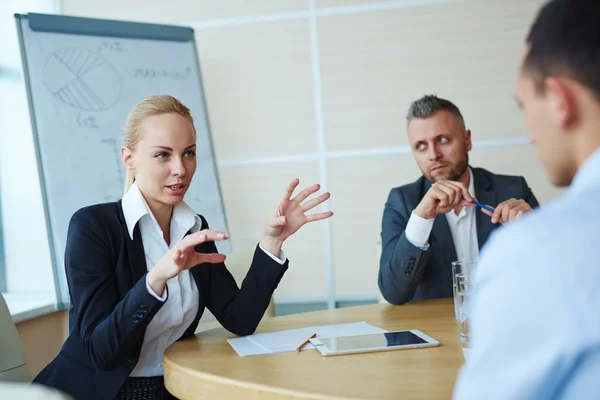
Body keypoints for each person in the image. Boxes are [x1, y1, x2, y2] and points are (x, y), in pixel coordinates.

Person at [33, 95, 333, 400]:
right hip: (99, 393)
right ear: (129, 158)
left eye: (188, 153)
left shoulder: (194, 226)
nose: (180, 168)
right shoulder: (93, 227)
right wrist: (155, 280)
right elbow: (100, 352)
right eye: (163, 155)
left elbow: (239, 319)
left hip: (174, 388)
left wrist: (273, 241)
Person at [453, 1, 600, 398]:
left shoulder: (535, 251)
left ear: (558, 100)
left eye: (524, 105)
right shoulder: (404, 201)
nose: (530, 133)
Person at [378, 95, 538, 305]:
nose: (433, 155)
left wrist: (533, 229)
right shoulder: (401, 202)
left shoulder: (513, 190)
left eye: (442, 140)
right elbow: (394, 293)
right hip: (436, 333)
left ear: (467, 140)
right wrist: (422, 219)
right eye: (421, 146)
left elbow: (554, 274)